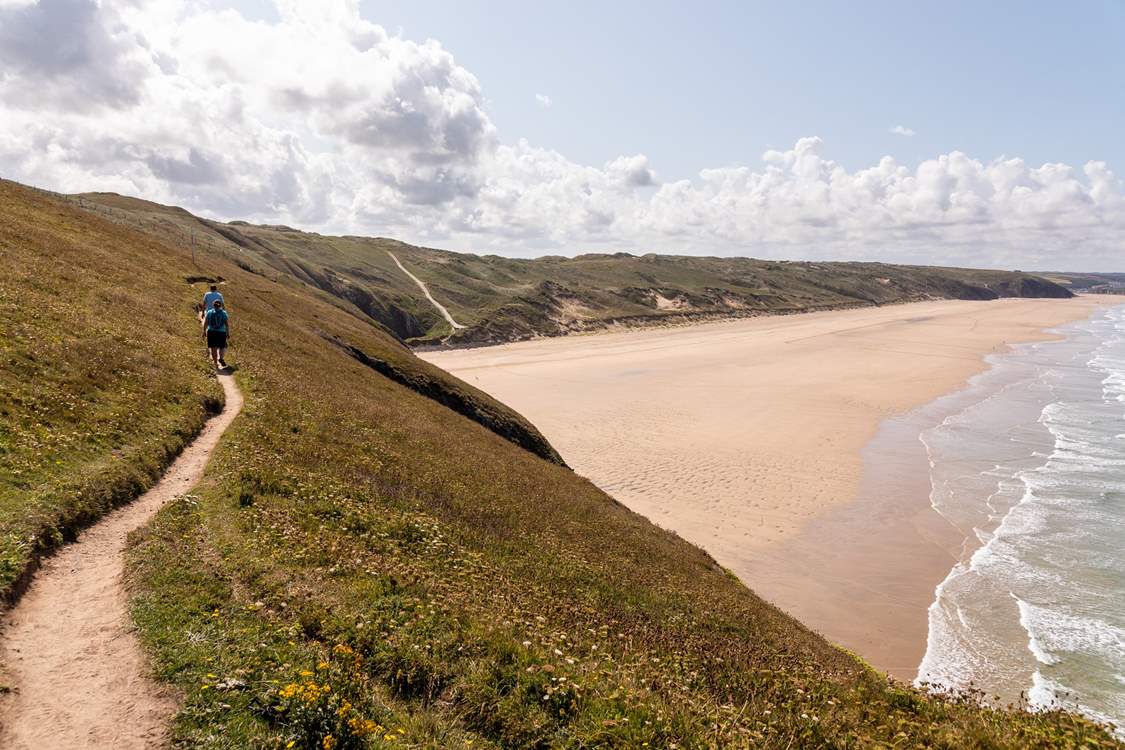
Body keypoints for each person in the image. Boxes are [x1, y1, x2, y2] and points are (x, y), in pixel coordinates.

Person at [202, 299, 230, 369]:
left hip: (211, 332)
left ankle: (215, 363)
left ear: (213, 305)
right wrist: (228, 333)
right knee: (222, 346)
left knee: (213, 348)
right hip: (221, 332)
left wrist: (204, 331)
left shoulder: (209, 312)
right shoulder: (224, 313)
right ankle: (221, 358)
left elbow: (206, 323)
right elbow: (226, 324)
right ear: (221, 305)